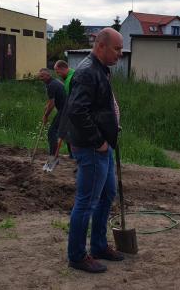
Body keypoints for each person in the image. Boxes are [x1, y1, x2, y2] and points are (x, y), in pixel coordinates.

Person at [66, 27, 124, 273]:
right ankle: (77, 256)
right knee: (87, 201)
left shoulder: (101, 70)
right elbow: (77, 111)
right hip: (92, 148)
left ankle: (99, 245)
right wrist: (98, 141)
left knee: (107, 193)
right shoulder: (88, 72)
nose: (120, 54)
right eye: (117, 49)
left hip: (104, 147)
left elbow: (99, 107)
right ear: (101, 46)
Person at [38, 68, 66, 157]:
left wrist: (46, 116)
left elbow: (52, 104)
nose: (41, 78)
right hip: (68, 108)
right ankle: (72, 155)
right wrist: (47, 105)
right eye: (40, 76)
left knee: (52, 132)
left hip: (65, 110)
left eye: (42, 76)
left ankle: (53, 155)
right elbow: (52, 100)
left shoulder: (51, 85)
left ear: (48, 75)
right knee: (67, 132)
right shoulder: (55, 82)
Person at [53, 60, 75, 158]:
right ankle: (74, 158)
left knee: (72, 136)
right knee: (68, 136)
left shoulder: (70, 80)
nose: (58, 75)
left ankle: (76, 159)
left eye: (58, 72)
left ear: (63, 68)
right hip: (74, 111)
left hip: (75, 113)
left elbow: (70, 102)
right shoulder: (72, 75)